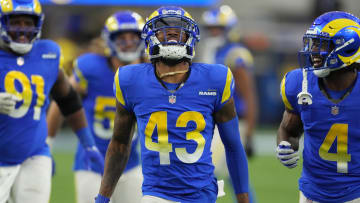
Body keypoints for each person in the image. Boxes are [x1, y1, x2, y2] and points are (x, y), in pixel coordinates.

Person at [95, 6, 249, 203]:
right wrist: (103, 197)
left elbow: (233, 146)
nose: (172, 35)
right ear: (150, 37)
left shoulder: (216, 79)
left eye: (179, 31)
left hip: (203, 195)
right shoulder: (130, 80)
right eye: (164, 31)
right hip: (156, 194)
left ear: (191, 37)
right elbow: (119, 145)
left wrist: (244, 199)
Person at [0, 0, 104, 203]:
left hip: (35, 154)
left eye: (27, 23)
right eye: (16, 22)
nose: (22, 29)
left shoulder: (47, 53)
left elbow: (68, 99)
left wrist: (88, 144)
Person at [46, 10, 145, 203]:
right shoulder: (91, 67)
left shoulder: (148, 71)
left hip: (131, 163)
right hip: (92, 162)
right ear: (109, 40)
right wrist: (47, 143)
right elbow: (63, 102)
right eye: (121, 37)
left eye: (133, 37)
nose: (128, 43)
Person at [277, 11, 360, 203]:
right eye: (313, 43)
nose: (313, 51)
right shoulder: (299, 83)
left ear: (347, 46)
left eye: (321, 44)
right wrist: (286, 146)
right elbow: (288, 129)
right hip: (312, 194)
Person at [200, 5, 258, 158]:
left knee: (210, 167)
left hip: (233, 121)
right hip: (214, 119)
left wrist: (249, 135)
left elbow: (249, 96)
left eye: (218, 28)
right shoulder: (212, 52)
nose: (213, 32)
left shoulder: (236, 54)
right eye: (211, 28)